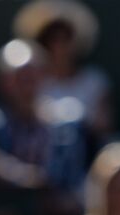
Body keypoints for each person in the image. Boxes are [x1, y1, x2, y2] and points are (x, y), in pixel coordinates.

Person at [0, 39, 89, 197]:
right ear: (1, 81)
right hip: (5, 212)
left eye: (32, 75)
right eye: (18, 77)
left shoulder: (65, 124)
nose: (26, 84)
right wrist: (13, 172)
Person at [13, 0, 113, 137]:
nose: (60, 48)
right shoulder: (35, 82)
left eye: (65, 39)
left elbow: (104, 126)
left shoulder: (94, 79)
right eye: (53, 40)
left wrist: (78, 121)